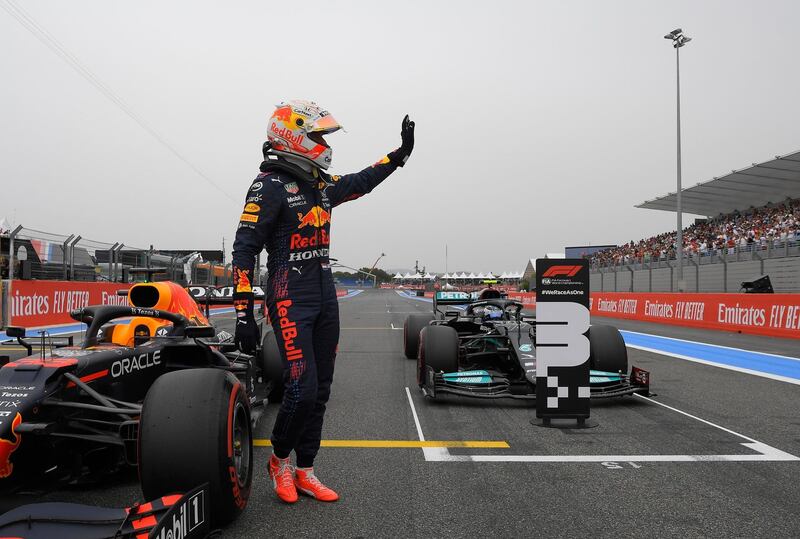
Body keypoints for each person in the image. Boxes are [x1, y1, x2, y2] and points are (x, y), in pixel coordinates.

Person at [231, 100, 414, 504]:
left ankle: (305, 470)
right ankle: (279, 460)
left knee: (323, 390)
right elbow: (244, 251)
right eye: (316, 135)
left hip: (325, 296)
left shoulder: (321, 185)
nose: (322, 143)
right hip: (289, 298)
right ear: (292, 135)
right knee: (302, 389)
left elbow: (363, 180)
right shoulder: (268, 186)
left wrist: (399, 156)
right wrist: (243, 311)